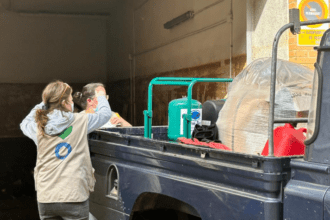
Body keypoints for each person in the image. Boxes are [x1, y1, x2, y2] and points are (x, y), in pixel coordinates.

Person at [20, 80, 111, 220]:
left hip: (46, 196)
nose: (72, 102)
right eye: (70, 100)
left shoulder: (38, 126)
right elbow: (105, 115)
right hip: (73, 195)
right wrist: (100, 96)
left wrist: (43, 104)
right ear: (64, 103)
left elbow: (24, 123)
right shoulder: (80, 121)